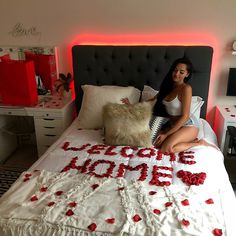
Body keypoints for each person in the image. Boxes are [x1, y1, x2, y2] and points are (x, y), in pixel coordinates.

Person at [122, 57, 217, 153]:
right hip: (173, 124)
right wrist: (131, 105)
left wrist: (166, 134)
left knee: (166, 149)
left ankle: (199, 143)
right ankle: (189, 140)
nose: (176, 74)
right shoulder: (167, 87)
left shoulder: (186, 88)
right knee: (157, 144)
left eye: (181, 72)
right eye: (175, 70)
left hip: (188, 124)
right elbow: (150, 100)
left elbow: (185, 116)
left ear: (187, 74)